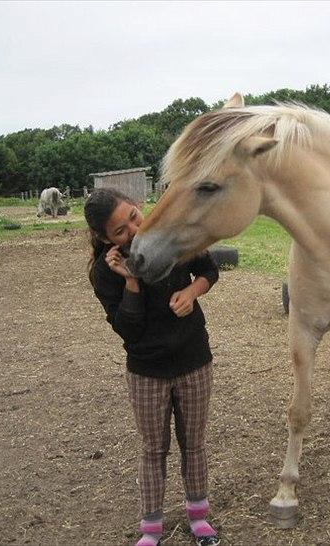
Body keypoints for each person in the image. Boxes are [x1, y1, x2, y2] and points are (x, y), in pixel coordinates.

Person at [84, 187, 221, 546]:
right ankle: (151, 528)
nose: (133, 228)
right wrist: (130, 280)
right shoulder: (103, 273)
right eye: (120, 231)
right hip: (147, 371)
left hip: (193, 359)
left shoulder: (171, 239)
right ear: (104, 238)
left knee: (194, 444)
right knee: (153, 450)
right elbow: (127, 329)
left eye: (133, 215)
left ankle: (198, 516)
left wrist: (193, 293)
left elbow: (208, 269)